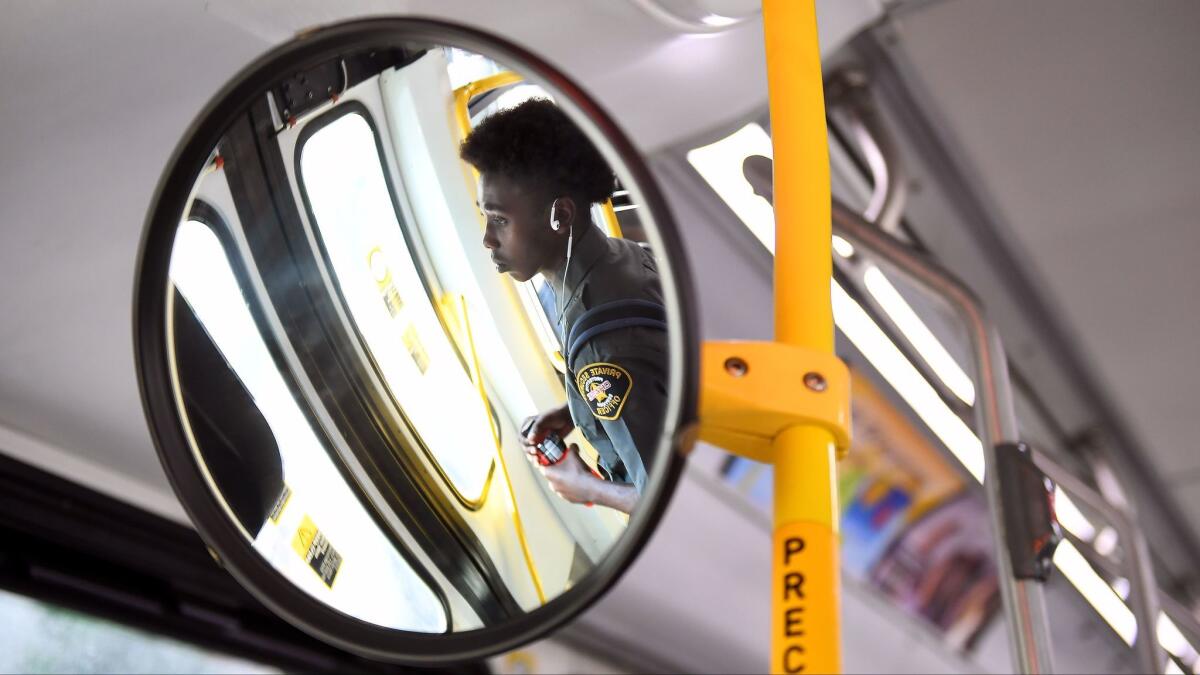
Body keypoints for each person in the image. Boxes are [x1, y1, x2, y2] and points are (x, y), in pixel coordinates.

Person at [459, 98, 668, 515]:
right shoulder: (620, 256)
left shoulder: (602, 345)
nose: (487, 239)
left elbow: (666, 500)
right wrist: (577, 411)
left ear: (560, 216)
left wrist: (589, 488)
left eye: (499, 219)